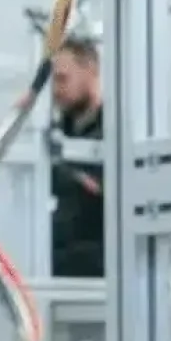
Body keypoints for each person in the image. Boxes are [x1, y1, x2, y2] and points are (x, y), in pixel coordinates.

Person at [48, 37, 104, 278]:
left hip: (100, 271)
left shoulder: (116, 131)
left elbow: (99, 190)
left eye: (62, 79)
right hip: (57, 265)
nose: (55, 90)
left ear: (90, 71)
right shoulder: (57, 134)